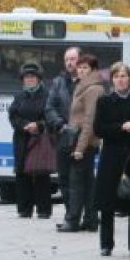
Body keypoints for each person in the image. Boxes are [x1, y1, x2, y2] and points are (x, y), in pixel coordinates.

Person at [93, 62, 130, 259]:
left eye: (124, 76)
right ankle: (106, 245)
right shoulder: (104, 101)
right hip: (111, 157)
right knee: (107, 203)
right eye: (117, 76)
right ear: (112, 80)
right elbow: (99, 129)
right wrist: (121, 127)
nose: (121, 79)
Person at [58, 54, 105, 232]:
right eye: (80, 67)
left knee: (76, 182)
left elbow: (89, 120)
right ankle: (91, 219)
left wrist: (80, 148)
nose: (81, 70)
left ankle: (72, 220)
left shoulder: (93, 89)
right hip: (80, 138)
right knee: (87, 182)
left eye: (86, 67)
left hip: (84, 141)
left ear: (93, 70)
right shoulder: (83, 86)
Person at [9, 63, 53, 219]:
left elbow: (51, 116)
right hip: (22, 138)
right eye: (26, 78)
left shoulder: (47, 95)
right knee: (21, 173)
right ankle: (24, 209)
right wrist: (23, 125)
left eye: (32, 77)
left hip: (41, 139)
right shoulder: (19, 96)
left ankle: (44, 210)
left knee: (41, 173)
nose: (29, 80)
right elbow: (13, 116)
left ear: (39, 79)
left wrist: (39, 125)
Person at [46, 47, 81, 220]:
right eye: (67, 59)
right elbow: (50, 107)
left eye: (73, 59)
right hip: (62, 137)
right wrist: (59, 123)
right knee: (64, 178)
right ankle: (69, 215)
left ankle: (82, 215)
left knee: (79, 180)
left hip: (82, 138)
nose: (69, 62)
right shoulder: (58, 83)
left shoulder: (88, 82)